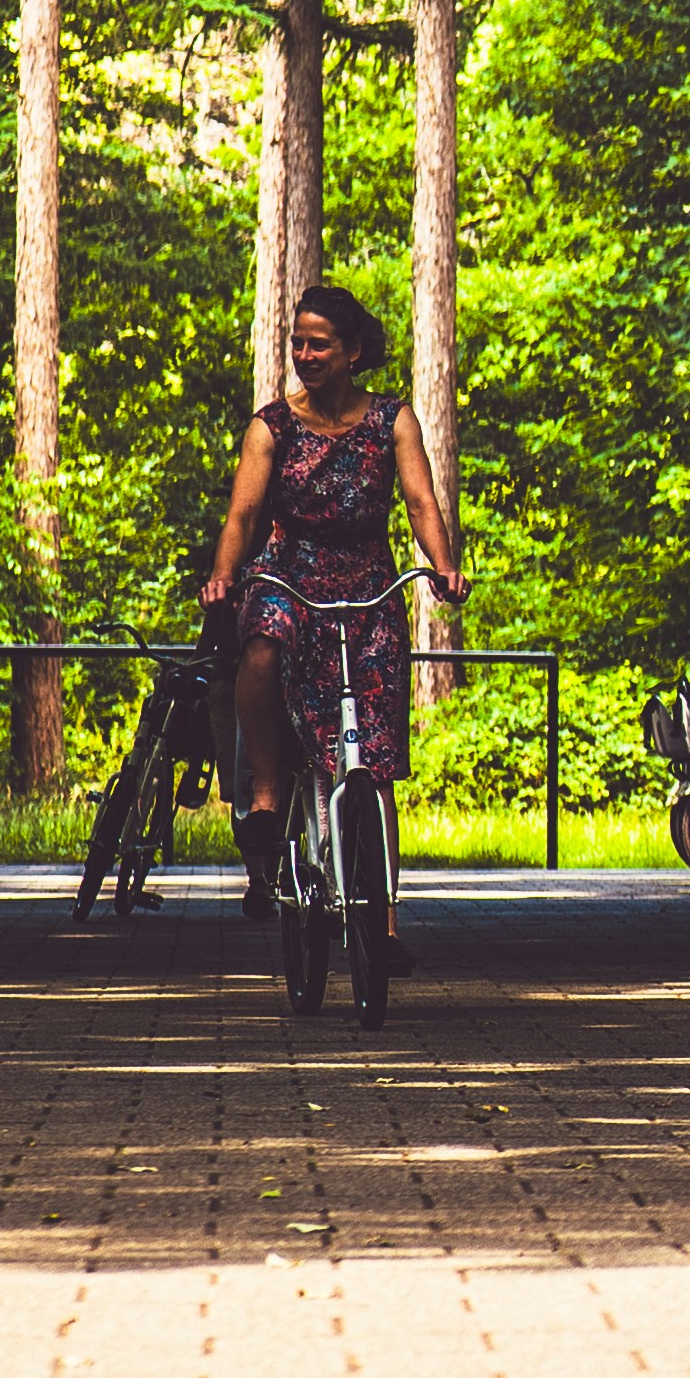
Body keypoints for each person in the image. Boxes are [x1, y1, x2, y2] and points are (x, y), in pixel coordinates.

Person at [199, 282, 460, 964]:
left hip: (368, 583)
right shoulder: (272, 427)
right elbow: (243, 518)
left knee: (369, 766)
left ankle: (387, 927)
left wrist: (443, 565)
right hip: (289, 575)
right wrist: (225, 574)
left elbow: (420, 499)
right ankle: (263, 790)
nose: (305, 355)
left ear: (353, 353)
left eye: (319, 344)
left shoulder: (391, 421)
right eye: (298, 343)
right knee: (259, 649)